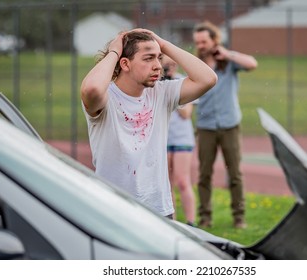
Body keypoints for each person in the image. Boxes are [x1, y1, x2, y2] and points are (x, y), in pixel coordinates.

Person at [80, 28, 217, 219]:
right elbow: (92, 88)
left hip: (159, 210)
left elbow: (208, 79)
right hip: (113, 210)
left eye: (159, 58)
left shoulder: (162, 93)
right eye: (148, 58)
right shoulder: (106, 97)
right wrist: (114, 52)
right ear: (125, 64)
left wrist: (163, 44)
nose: (158, 66)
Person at [192, 21, 258, 228]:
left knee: (235, 174)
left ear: (214, 40)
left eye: (204, 41)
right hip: (205, 127)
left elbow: (252, 64)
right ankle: (205, 217)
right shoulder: (195, 64)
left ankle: (239, 217)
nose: (201, 45)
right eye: (198, 42)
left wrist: (228, 54)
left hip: (229, 125)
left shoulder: (228, 62)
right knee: (204, 175)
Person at [162, 55, 196, 226]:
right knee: (167, 184)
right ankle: (173, 223)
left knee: (183, 181)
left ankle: (191, 221)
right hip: (164, 139)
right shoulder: (156, 83)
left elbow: (186, 113)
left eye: (172, 64)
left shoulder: (183, 82)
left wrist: (172, 90)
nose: (170, 68)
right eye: (166, 65)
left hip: (182, 138)